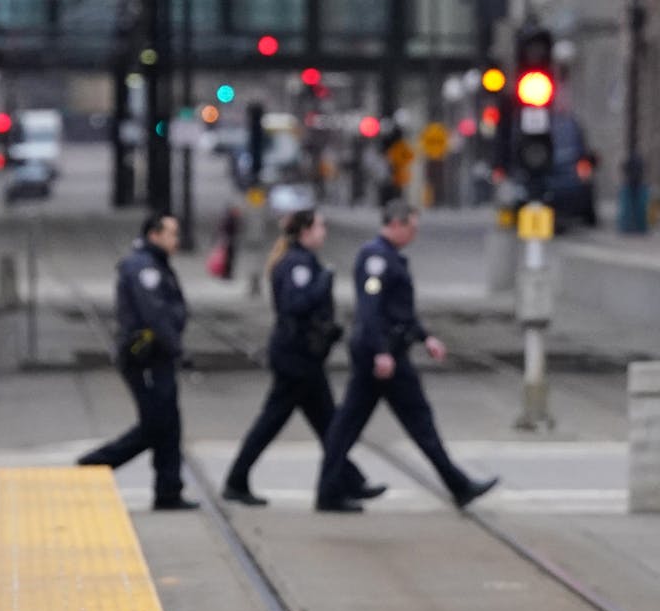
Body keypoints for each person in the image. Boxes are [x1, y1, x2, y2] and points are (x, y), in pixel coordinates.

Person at [315, 199, 499, 512]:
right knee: (411, 423)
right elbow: (371, 312)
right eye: (412, 227)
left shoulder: (390, 258)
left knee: (353, 424)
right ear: (396, 224)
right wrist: (382, 353)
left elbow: (400, 311)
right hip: (382, 356)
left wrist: (425, 337)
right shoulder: (376, 259)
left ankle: (329, 490)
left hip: (386, 352)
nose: (414, 234)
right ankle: (458, 484)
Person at [222, 209, 386, 506]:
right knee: (288, 423)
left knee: (328, 424)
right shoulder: (297, 265)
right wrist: (323, 282)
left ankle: (348, 480)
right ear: (305, 232)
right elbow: (294, 305)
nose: (324, 232)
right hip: (296, 360)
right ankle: (238, 480)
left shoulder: (303, 261)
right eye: (320, 227)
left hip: (302, 358)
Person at [78, 213, 199, 511]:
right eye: (172, 233)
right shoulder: (144, 268)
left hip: (157, 355)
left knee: (168, 421)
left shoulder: (154, 263)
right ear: (154, 235)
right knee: (157, 422)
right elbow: (155, 313)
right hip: (145, 356)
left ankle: (168, 489)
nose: (176, 240)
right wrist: (177, 348)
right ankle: (97, 463)